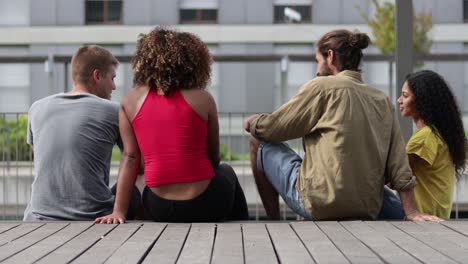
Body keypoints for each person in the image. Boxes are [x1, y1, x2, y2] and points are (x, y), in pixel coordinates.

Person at [244, 29, 441, 222]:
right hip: (367, 207)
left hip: (319, 204)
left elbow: (274, 128)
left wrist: (254, 122)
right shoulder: (381, 100)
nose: (316, 69)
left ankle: (273, 220)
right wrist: (412, 212)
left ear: (330, 56)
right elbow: (398, 162)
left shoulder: (320, 87)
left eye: (317, 61)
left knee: (257, 140)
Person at [95, 27, 249, 224]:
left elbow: (131, 157)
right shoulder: (204, 99)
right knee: (226, 170)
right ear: (194, 64)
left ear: (144, 63)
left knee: (143, 180)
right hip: (207, 204)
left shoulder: (129, 101)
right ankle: (243, 228)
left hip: (159, 207)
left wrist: (118, 211)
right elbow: (213, 158)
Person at [24, 45, 141, 221]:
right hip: (93, 215)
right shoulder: (114, 111)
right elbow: (136, 161)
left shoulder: (37, 108)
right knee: (144, 182)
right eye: (112, 78)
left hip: (37, 216)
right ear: (97, 76)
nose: (114, 86)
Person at [398, 70, 467, 219]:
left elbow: (395, 176)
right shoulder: (438, 134)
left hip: (421, 215)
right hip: (438, 214)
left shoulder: (425, 137)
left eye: (405, 95)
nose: (399, 100)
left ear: (422, 101)